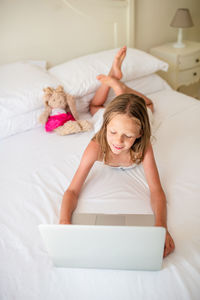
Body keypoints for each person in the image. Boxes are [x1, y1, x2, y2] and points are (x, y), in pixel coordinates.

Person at [59, 46, 175, 257]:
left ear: (140, 135)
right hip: (110, 117)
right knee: (95, 107)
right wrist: (64, 222)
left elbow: (156, 190)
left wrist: (161, 226)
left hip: (131, 117)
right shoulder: (96, 146)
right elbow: (72, 191)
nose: (118, 142)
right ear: (105, 127)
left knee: (148, 104)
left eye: (128, 136)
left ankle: (118, 85)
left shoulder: (143, 146)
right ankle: (117, 83)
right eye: (113, 132)